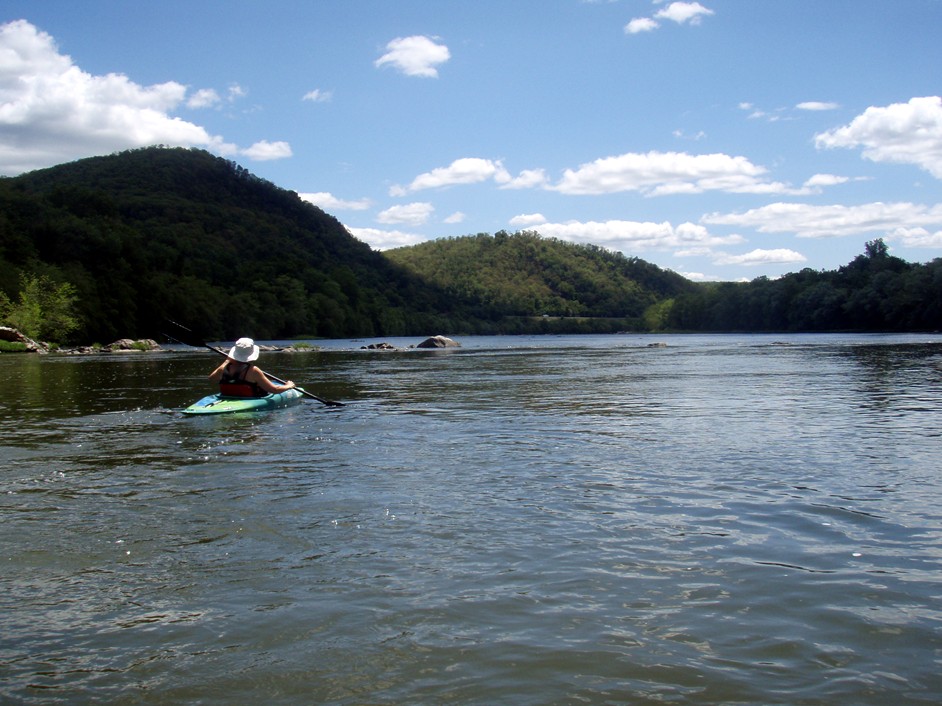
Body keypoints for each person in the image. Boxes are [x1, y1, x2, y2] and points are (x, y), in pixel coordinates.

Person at [209, 337, 296, 397]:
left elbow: (212, 378)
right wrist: (288, 386)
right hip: (250, 399)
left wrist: (227, 360)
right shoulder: (254, 371)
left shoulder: (224, 367)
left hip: (229, 397)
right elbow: (275, 389)